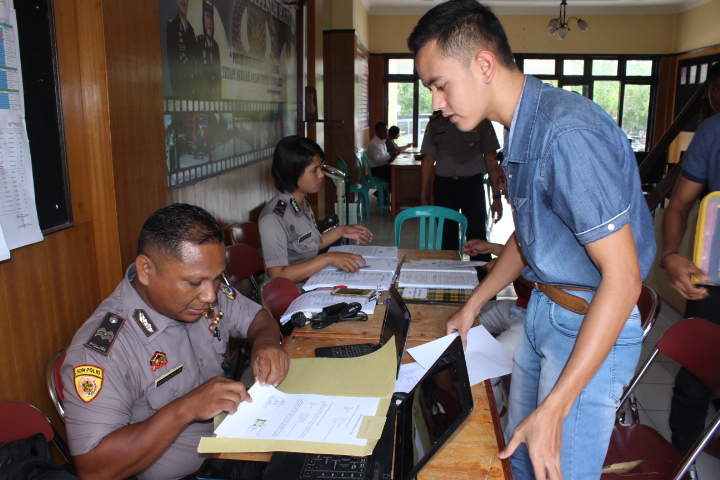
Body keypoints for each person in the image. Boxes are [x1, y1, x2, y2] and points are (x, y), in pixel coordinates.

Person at [407, 1, 656, 479]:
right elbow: (530, 237)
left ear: (483, 64)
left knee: (555, 469)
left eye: (439, 85)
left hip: (586, 324)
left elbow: (624, 280)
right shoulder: (522, 128)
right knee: (519, 461)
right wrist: (475, 303)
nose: (436, 102)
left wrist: (557, 406)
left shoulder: (563, 135)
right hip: (544, 313)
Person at [61, 203, 289, 480]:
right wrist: (185, 409)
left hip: (238, 445)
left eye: (216, 279)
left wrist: (265, 343)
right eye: (194, 283)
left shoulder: (204, 293)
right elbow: (94, 468)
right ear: (146, 270)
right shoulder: (103, 350)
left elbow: (258, 318)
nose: (209, 296)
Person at [663, 61, 720, 457]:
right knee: (695, 378)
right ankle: (682, 460)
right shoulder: (712, 132)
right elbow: (679, 204)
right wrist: (670, 255)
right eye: (716, 86)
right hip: (713, 280)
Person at [259, 136, 374, 284]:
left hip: (309, 281)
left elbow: (310, 245)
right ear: (292, 172)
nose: (321, 175)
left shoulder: (301, 202)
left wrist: (341, 231)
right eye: (314, 170)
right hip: (289, 294)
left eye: (321, 167)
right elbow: (278, 275)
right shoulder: (274, 218)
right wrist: (327, 258)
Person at [420, 112, 502, 259]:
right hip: (444, 187)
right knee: (446, 237)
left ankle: (481, 278)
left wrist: (497, 197)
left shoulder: (481, 121)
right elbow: (427, 160)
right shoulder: (436, 122)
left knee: (477, 237)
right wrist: (423, 196)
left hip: (472, 186)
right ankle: (450, 277)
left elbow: (491, 159)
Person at [166, 0, 197, 99]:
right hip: (180, 93)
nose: (184, 1)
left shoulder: (191, 31)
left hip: (192, 93)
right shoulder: (172, 27)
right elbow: (172, 65)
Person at [196, 0, 221, 100]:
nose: (209, 21)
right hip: (202, 100)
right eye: (207, 15)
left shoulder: (215, 47)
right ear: (203, 18)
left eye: (211, 17)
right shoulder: (198, 45)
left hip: (214, 99)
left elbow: (218, 78)